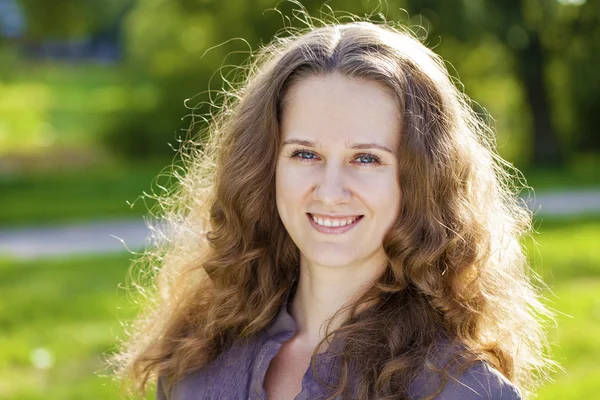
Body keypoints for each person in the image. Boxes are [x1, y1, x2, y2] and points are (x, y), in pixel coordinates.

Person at [112, 16, 556, 400]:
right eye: (305, 154)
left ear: (422, 180)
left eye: (366, 158)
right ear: (265, 168)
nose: (330, 190)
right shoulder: (196, 360)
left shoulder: (460, 389)